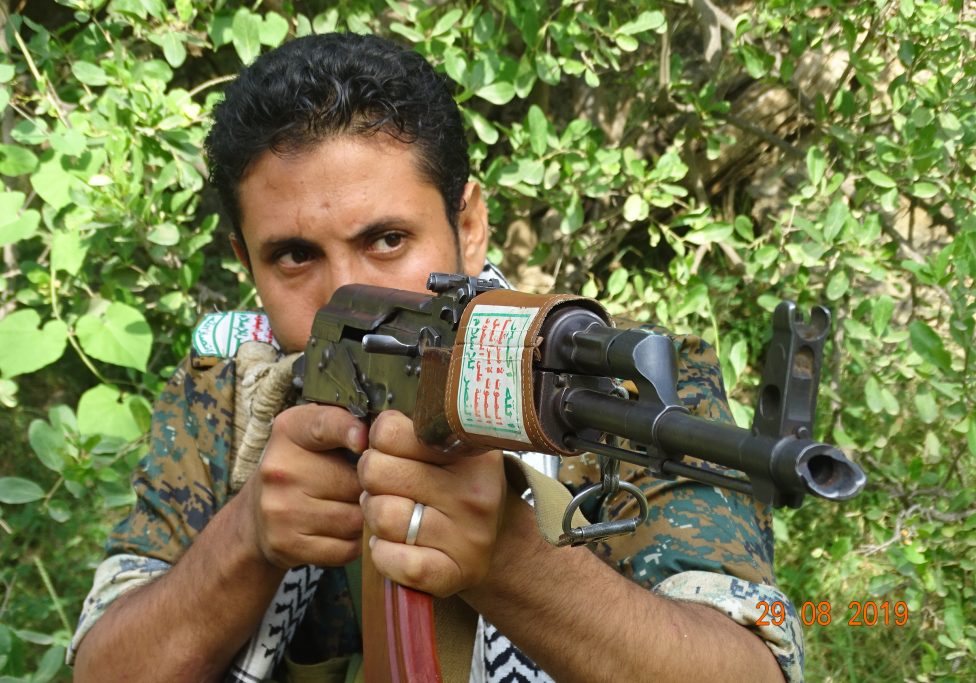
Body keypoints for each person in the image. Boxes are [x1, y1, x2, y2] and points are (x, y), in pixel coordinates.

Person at [69, 32, 803, 683]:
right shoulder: (227, 400)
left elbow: (749, 670)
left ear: (469, 225)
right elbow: (105, 668)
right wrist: (247, 539)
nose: (347, 293)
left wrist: (510, 560)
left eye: (387, 240)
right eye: (295, 255)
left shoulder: (622, 385)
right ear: (246, 262)